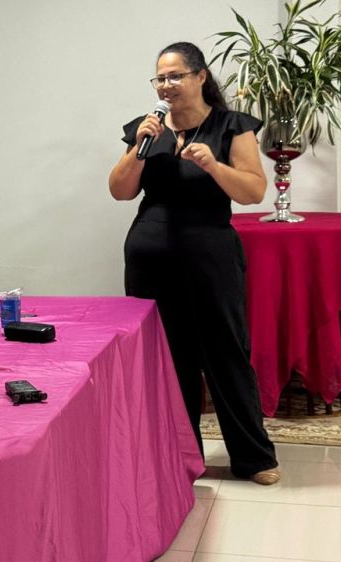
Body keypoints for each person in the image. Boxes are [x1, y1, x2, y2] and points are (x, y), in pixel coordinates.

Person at [108, 42, 279, 485]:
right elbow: (120, 191)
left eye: (175, 76)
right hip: (150, 258)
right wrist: (139, 145)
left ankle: (254, 458)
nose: (166, 85)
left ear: (201, 76)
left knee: (226, 352)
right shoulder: (147, 129)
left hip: (211, 254)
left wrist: (213, 166)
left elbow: (253, 192)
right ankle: (179, 459)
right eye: (160, 78)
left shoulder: (231, 126)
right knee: (167, 359)